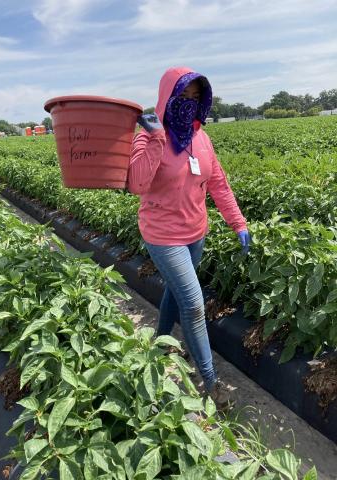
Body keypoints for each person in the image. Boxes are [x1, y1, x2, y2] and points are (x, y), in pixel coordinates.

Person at [127, 66, 250, 408]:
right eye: (183, 96)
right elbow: (136, 184)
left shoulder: (201, 138)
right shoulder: (149, 135)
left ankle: (161, 342)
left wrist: (237, 222)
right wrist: (153, 140)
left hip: (196, 231)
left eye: (196, 97)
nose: (189, 104)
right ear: (168, 97)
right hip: (162, 235)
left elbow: (218, 183)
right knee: (194, 304)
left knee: (176, 291)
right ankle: (210, 381)